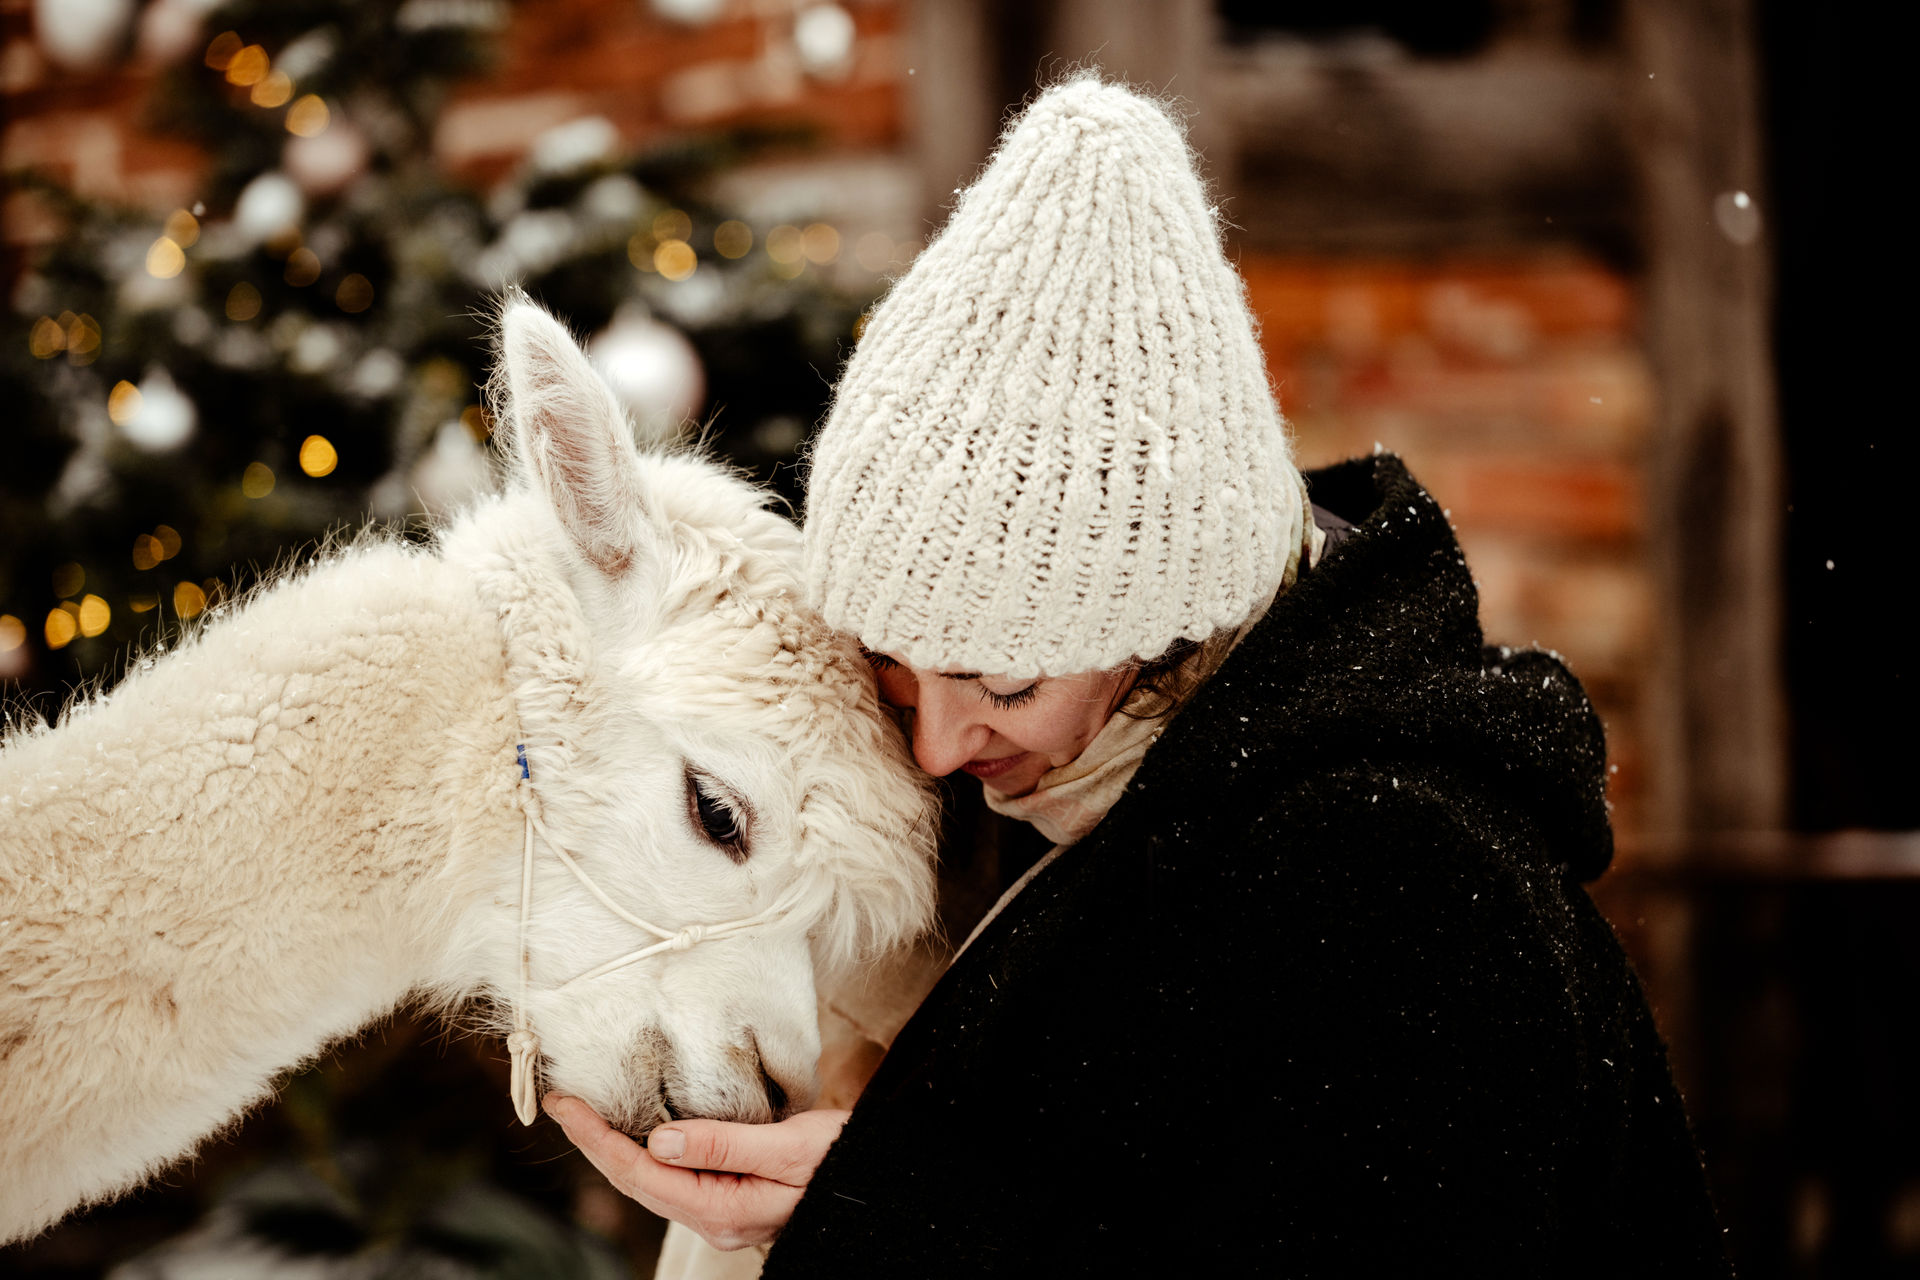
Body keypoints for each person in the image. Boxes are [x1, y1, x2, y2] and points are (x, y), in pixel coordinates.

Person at [545, 76, 1732, 1276]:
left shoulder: (1402, 882)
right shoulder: (1100, 786)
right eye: (901, 670)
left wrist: (882, 1211)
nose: (941, 744)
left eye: (1001, 682)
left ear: (1157, 625)